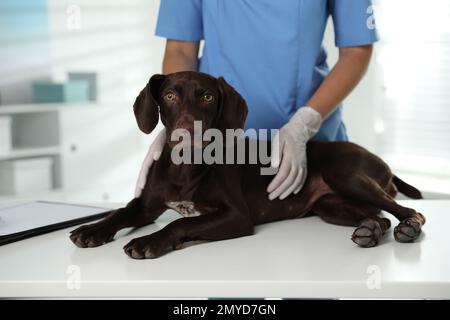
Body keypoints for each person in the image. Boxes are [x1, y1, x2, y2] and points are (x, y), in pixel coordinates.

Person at [135, 0, 378, 200]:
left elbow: (356, 51)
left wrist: (303, 125)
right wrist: (177, 121)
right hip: (215, 149)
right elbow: (180, 49)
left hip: (307, 151)